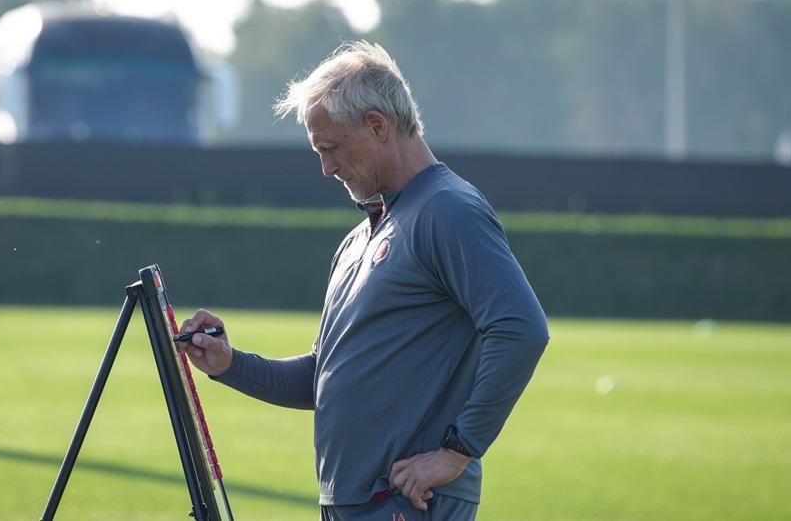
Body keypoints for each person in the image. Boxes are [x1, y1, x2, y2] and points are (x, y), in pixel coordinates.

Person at [178, 41, 549, 521]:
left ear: (377, 125)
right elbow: (323, 377)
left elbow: (522, 328)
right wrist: (229, 364)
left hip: (405, 503)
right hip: (353, 503)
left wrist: (457, 452)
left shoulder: (448, 209)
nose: (326, 168)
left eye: (331, 148)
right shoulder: (359, 238)